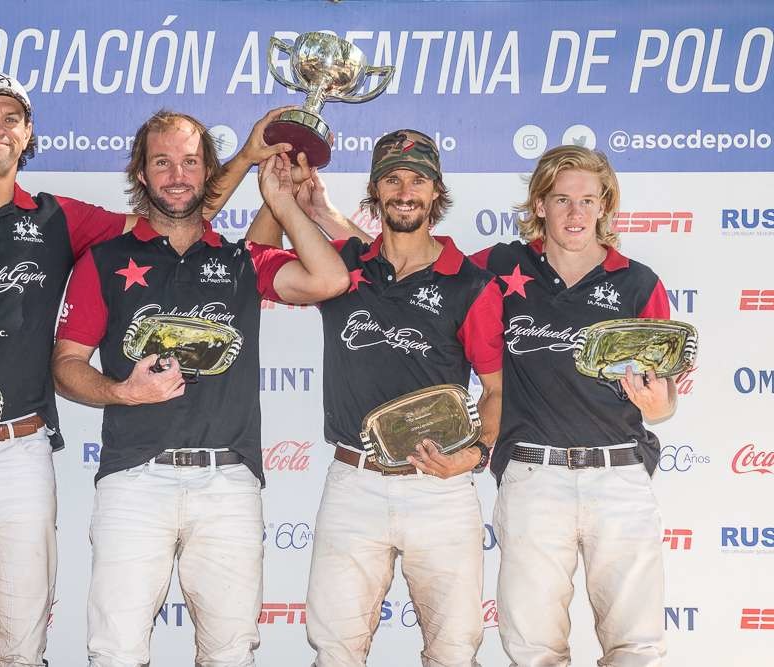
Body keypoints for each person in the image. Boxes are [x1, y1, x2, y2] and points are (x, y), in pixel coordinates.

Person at [0, 69, 292, 666]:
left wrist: (250, 156)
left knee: (22, 651)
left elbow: (178, 208)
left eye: (12, 118)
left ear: (28, 136)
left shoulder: (59, 219)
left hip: (19, 457)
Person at [50, 110, 349, 667]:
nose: (177, 175)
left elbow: (330, 280)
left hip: (227, 485)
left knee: (229, 651)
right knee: (114, 650)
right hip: (133, 480)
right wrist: (123, 392)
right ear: (141, 175)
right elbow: (66, 365)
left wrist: (281, 203)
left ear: (208, 172)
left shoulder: (241, 259)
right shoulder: (105, 260)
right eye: (162, 162)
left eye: (190, 162)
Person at [246, 130, 504, 667]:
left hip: (440, 489)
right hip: (353, 483)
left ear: (436, 192)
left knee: (454, 652)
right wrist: (284, 202)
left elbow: (498, 391)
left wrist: (474, 455)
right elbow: (253, 263)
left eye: (417, 179)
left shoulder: (471, 284)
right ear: (375, 191)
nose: (404, 190)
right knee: (336, 651)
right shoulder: (342, 268)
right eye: (392, 178)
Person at [470, 145, 675, 666]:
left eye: (588, 200)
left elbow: (663, 401)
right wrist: (325, 216)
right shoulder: (501, 266)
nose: (576, 213)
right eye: (562, 199)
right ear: (539, 205)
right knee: (534, 650)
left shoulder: (638, 282)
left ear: (605, 206)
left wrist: (657, 403)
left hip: (618, 476)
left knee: (637, 648)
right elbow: (417, 259)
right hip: (534, 477)